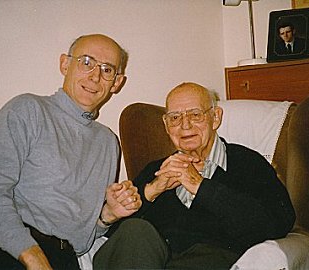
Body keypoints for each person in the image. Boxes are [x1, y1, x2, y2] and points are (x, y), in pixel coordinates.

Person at [0, 34, 142, 270]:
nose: (95, 76)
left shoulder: (108, 142)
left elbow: (81, 241)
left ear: (117, 82)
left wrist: (106, 216)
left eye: (107, 69)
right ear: (65, 64)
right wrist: (33, 257)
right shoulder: (27, 110)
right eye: (86, 62)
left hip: (66, 260)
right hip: (11, 253)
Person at [93, 82, 296, 269]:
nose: (185, 125)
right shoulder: (156, 170)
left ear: (215, 117)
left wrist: (199, 186)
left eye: (195, 115)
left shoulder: (248, 164)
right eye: (175, 118)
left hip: (210, 260)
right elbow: (117, 241)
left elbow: (277, 223)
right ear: (166, 125)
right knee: (135, 231)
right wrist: (150, 192)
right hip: (146, 262)